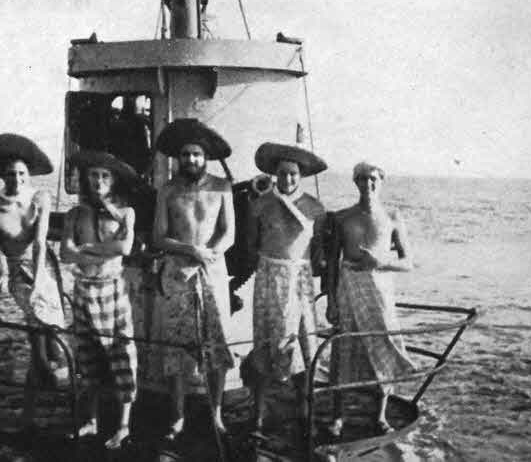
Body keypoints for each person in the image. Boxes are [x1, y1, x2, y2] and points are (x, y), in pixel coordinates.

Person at [151, 118, 236, 439]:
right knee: (176, 348)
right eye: (186, 155)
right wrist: (190, 250)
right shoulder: (168, 190)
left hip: (213, 274)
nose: (191, 160)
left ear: (206, 158)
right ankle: (177, 415)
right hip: (178, 275)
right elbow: (159, 237)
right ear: (178, 158)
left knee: (218, 345)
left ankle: (216, 413)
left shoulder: (221, 187)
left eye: (197, 155)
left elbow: (229, 233)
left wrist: (210, 253)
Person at [0, 133, 64, 427]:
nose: (16, 179)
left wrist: (41, 281)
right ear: (2, 176)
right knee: (40, 346)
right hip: (19, 276)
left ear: (28, 175)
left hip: (45, 272)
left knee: (54, 339)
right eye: (11, 174)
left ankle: (42, 403)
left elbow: (40, 242)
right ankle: (33, 411)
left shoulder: (40, 199)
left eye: (22, 173)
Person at [326, 162, 416, 436]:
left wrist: (381, 261)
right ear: (355, 182)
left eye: (373, 178)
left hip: (380, 289)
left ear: (381, 181)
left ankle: (380, 416)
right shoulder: (342, 217)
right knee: (343, 348)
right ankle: (338, 416)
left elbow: (408, 262)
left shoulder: (392, 215)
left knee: (383, 345)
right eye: (362, 178)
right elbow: (332, 262)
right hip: (348, 287)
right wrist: (330, 300)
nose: (368, 183)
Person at [246, 142, 327, 430]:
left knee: (304, 342)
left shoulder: (315, 208)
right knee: (266, 342)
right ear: (275, 174)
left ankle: (304, 409)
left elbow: (318, 252)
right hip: (269, 276)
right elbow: (250, 245)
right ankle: (259, 410)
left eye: (293, 174)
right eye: (282, 173)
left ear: (301, 176)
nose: (288, 179)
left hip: (300, 280)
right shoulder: (261, 205)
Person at [60, 150, 138, 450]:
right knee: (87, 356)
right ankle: (90, 420)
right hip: (84, 290)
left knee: (122, 355)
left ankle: (123, 426)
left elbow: (125, 246)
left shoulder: (125, 212)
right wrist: (100, 249)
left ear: (114, 180)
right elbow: (66, 252)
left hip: (112, 289)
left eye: (105, 176)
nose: (98, 181)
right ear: (86, 178)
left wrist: (87, 248)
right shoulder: (75, 214)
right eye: (94, 175)